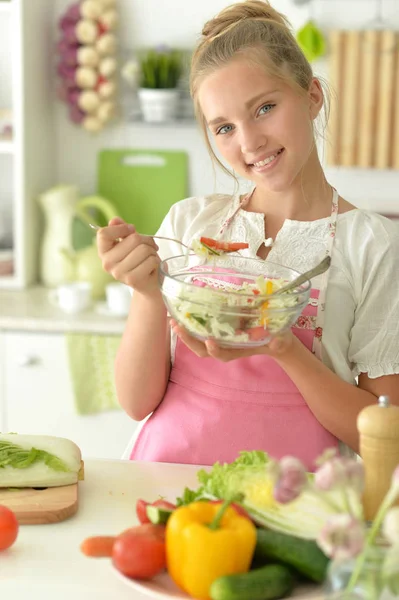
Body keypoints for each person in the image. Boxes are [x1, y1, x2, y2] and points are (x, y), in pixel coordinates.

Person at [97, 0, 399, 469]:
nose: (249, 142)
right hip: (169, 481)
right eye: (224, 127)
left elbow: (386, 436)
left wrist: (282, 346)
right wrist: (146, 291)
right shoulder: (188, 224)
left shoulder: (373, 245)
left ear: (312, 95)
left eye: (264, 108)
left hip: (300, 503)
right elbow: (137, 403)